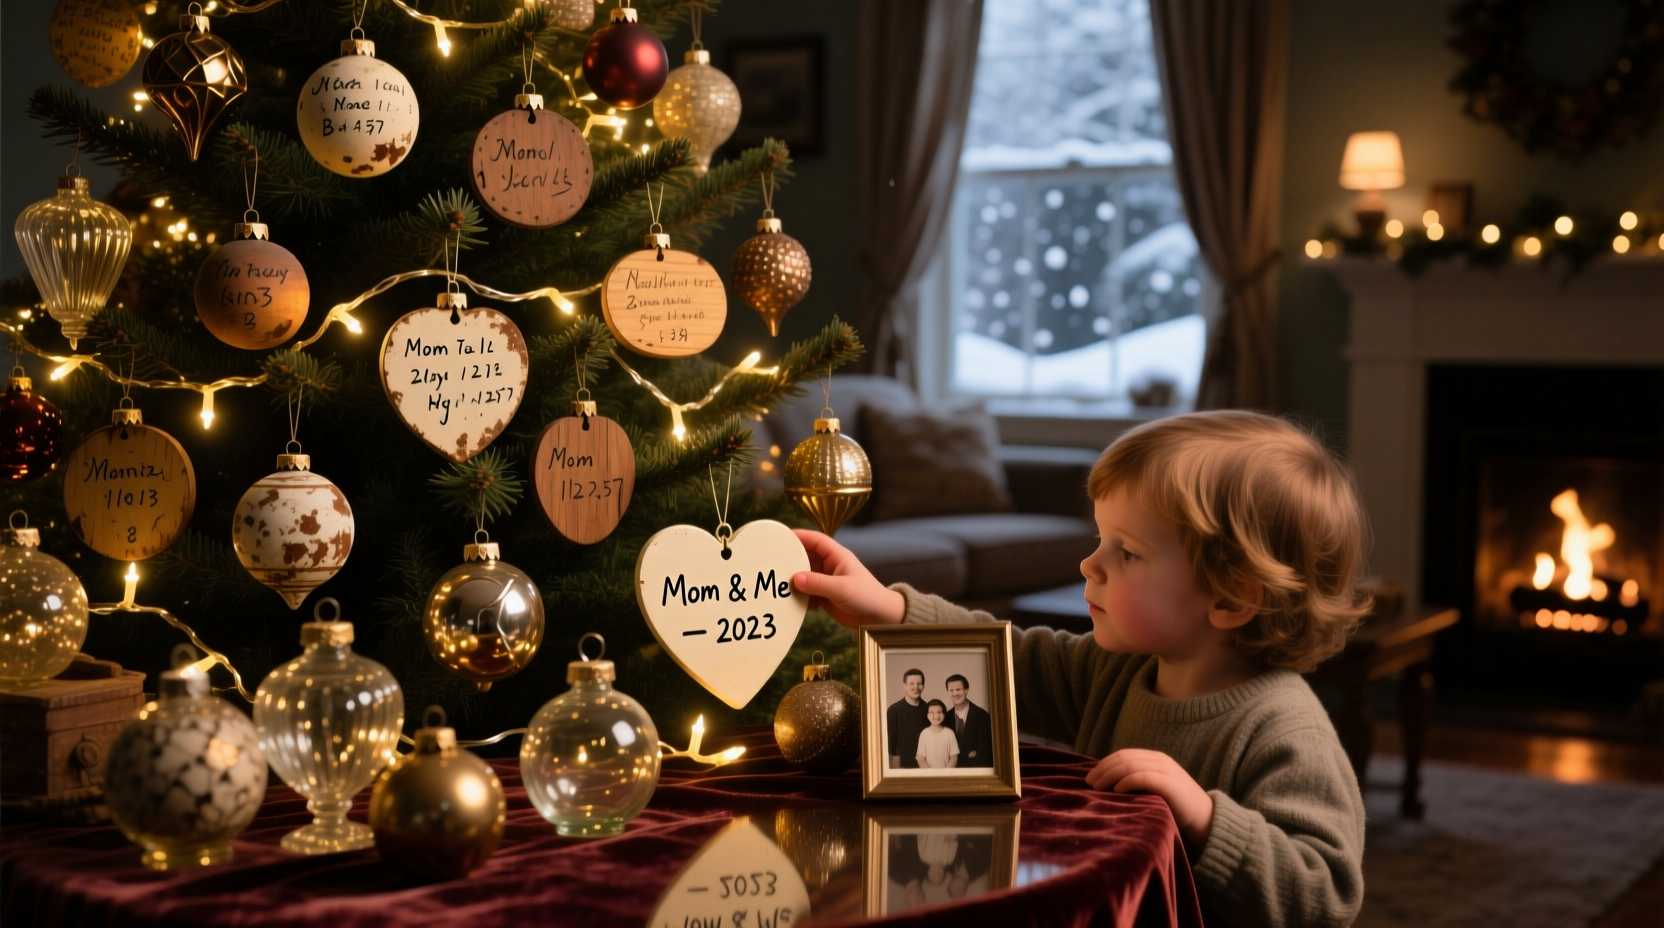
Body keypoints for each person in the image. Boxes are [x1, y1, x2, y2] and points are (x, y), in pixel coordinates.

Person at [792, 410, 1370, 928]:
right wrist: (888, 608)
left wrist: (1204, 817)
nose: (1089, 564)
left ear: (1231, 598)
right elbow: (1003, 662)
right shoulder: (1116, 671)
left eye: (1128, 551)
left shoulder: (1287, 732)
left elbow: (1325, 895)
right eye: (1101, 538)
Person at [944, 673, 994, 768]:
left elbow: (985, 751)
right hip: (952, 770)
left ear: (966, 690)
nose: (955, 694)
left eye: (958, 690)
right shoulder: (946, 716)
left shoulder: (982, 716)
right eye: (951, 690)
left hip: (974, 770)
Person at [885, 668, 930, 768]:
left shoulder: (929, 709)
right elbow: (891, 742)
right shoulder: (893, 710)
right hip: (902, 764)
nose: (916, 687)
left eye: (919, 683)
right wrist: (895, 767)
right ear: (905, 686)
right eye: (912, 684)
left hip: (927, 763)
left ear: (923, 686)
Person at [914, 699, 960, 769]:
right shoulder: (924, 734)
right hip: (929, 776)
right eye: (932, 713)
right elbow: (921, 759)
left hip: (946, 775)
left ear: (944, 714)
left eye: (939, 712)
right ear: (927, 715)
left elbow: (954, 757)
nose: (936, 716)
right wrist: (930, 774)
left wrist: (946, 773)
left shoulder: (949, 733)